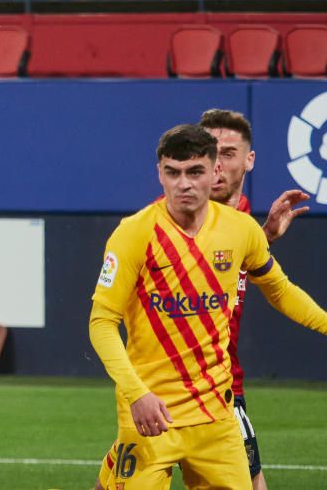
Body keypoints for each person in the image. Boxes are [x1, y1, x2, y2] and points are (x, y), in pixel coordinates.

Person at [89, 124, 327, 490]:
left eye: (195, 171)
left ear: (215, 172)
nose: (183, 183)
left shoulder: (241, 230)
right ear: (160, 174)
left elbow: (280, 290)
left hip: (216, 417)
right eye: (173, 172)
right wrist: (136, 394)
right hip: (152, 417)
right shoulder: (133, 233)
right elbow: (102, 322)